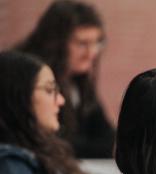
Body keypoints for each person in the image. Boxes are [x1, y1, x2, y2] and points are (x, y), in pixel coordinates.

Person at [17, 0, 114, 159]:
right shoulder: (27, 76)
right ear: (55, 42)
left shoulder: (78, 79)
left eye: (97, 43)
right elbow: (50, 142)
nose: (91, 53)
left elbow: (105, 133)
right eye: (82, 43)